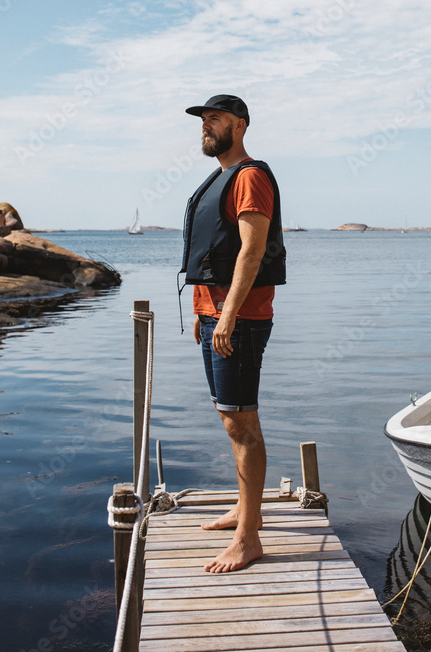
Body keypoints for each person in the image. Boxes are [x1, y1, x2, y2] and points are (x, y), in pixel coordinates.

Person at [180, 94, 286, 573]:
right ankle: (246, 512)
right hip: (216, 315)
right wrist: (205, 313)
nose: (206, 126)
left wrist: (227, 316)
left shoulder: (249, 177)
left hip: (237, 319)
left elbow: (252, 251)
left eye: (215, 119)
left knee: (242, 424)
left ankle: (249, 539)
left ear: (239, 125)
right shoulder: (221, 177)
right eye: (204, 120)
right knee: (231, 420)